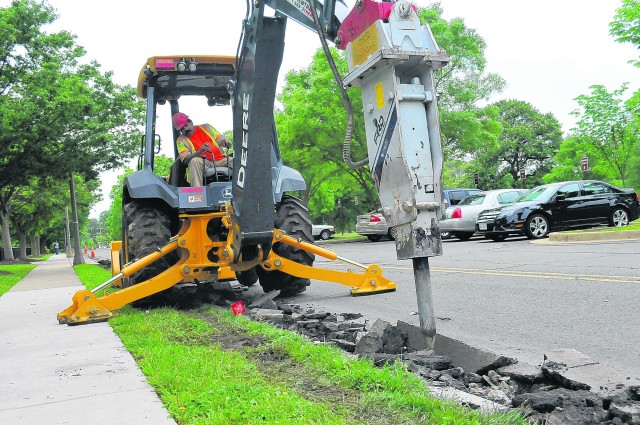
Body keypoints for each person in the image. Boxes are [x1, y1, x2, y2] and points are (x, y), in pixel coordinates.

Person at [172, 112, 233, 187]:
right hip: (204, 163)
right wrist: (200, 151)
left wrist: (226, 142)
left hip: (221, 160)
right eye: (182, 129)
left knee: (238, 162)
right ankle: (197, 192)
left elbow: (221, 140)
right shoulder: (180, 140)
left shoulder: (206, 127)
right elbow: (185, 160)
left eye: (186, 125)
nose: (186, 129)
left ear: (191, 122)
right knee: (194, 161)